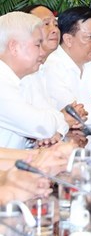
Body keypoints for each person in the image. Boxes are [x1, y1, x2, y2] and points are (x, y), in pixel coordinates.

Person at [19, 5, 88, 144]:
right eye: (46, 24)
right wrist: (63, 119)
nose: (54, 30)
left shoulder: (42, 70)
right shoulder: (21, 72)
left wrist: (68, 117)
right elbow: (39, 126)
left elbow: (50, 118)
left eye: (55, 24)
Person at [0, 12, 69, 149]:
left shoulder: (24, 79)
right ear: (14, 47)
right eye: (38, 45)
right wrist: (49, 128)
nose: (41, 52)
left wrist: (54, 131)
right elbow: (43, 126)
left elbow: (56, 118)